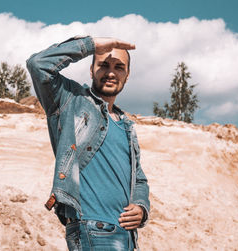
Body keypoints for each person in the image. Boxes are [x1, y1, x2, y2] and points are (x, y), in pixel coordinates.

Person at [26, 36, 150, 250]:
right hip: (93, 231)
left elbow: (138, 178)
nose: (111, 73)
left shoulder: (127, 126)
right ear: (91, 70)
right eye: (103, 65)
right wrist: (90, 45)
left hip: (128, 238)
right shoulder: (70, 101)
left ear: (127, 75)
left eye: (119, 67)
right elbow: (38, 65)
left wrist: (141, 207)